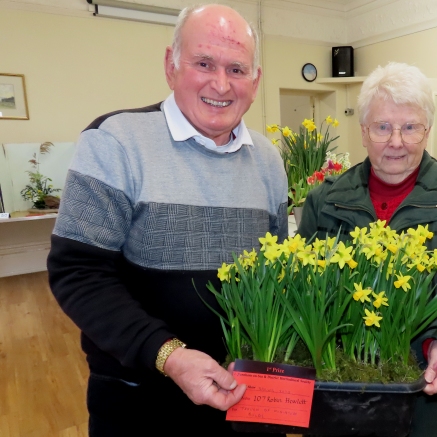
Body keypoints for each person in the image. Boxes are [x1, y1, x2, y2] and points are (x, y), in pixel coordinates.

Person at [47, 4, 287, 435]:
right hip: (140, 400)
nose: (221, 83)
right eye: (204, 63)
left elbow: (272, 277)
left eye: (237, 69)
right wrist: (169, 356)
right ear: (170, 66)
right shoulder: (115, 141)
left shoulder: (269, 161)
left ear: (256, 80)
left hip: (242, 398)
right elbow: (78, 273)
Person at [297, 62, 437, 437]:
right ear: (364, 132)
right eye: (383, 127)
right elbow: (303, 287)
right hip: (345, 392)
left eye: (410, 127)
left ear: (427, 131)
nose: (396, 141)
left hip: (434, 401)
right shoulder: (324, 201)